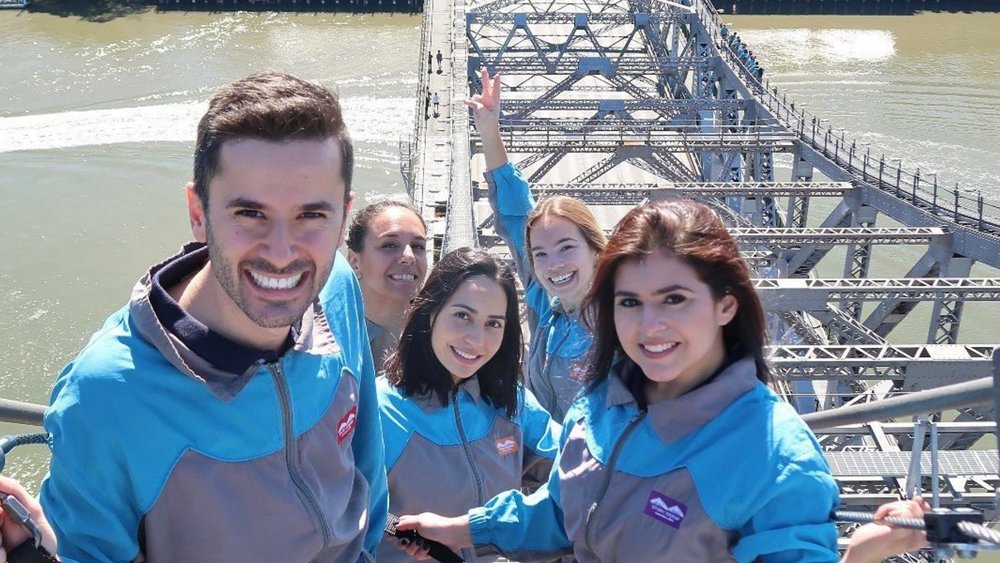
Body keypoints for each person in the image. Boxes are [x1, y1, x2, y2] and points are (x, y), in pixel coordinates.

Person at [394, 200, 929, 562]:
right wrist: (461, 527)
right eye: (629, 302)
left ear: (726, 305)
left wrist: (858, 554)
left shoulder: (773, 454)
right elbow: (560, 509)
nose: (650, 327)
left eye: (674, 299)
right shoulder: (601, 403)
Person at [0, 71, 387, 563]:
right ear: (198, 212)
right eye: (250, 213)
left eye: (312, 215)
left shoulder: (336, 291)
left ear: (343, 216)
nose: (283, 252)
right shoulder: (106, 397)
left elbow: (367, 465)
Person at [375, 247, 560, 562]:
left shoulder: (511, 402)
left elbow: (581, 473)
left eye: (493, 324)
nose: (477, 339)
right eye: (463, 316)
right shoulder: (380, 411)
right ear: (431, 312)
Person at [467, 69, 606, 421]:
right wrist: (488, 129)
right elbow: (516, 214)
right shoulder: (545, 299)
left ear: (595, 249)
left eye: (566, 247)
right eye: (540, 254)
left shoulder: (626, 318)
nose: (553, 263)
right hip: (549, 460)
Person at [345, 200, 428, 368]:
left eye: (418, 246)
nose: (409, 256)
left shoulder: (446, 336)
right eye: (389, 245)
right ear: (354, 261)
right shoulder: (326, 340)